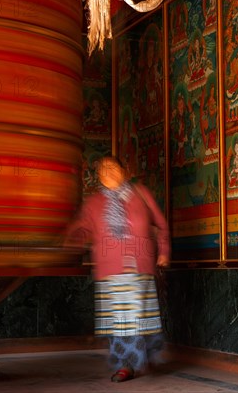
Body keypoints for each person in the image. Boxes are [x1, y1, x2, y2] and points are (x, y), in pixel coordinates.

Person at [64, 156, 170, 383]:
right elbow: (82, 228)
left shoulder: (140, 194)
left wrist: (164, 251)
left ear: (125, 170)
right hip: (110, 268)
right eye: (102, 169)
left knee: (140, 316)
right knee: (121, 319)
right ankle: (127, 364)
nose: (107, 172)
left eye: (112, 167)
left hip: (140, 263)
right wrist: (70, 238)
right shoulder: (94, 203)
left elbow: (160, 225)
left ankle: (142, 357)